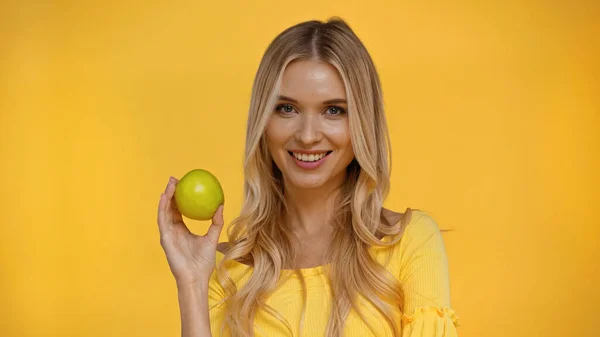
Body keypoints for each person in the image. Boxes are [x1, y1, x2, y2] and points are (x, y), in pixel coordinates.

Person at [157, 17, 460, 337]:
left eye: (334, 110)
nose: (307, 136)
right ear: (263, 121)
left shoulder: (410, 241)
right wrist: (191, 283)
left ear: (362, 124)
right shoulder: (226, 270)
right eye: (287, 108)